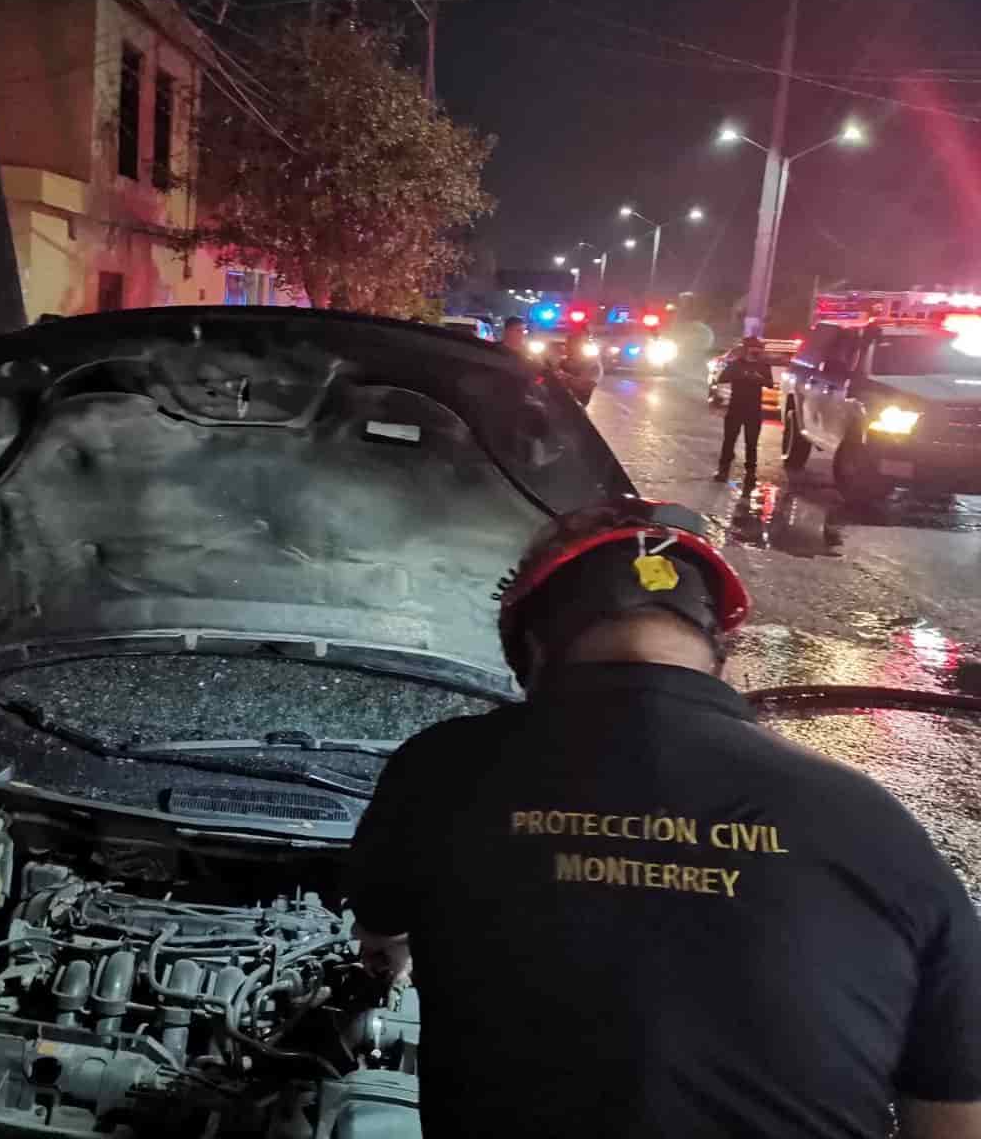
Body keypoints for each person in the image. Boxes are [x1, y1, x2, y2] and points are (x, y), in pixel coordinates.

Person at [349, 496, 981, 1138]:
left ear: (531, 649)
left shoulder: (443, 769)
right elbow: (956, 1115)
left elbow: (381, 931)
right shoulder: (878, 827)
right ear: (719, 650)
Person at [715, 334, 775, 482]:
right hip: (736, 408)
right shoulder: (736, 364)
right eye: (753, 349)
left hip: (754, 410)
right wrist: (740, 375)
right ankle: (723, 470)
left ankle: (750, 473)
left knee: (752, 443)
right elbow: (722, 378)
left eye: (758, 350)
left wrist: (757, 378)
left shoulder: (763, 365)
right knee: (729, 440)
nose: (755, 352)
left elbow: (770, 383)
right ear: (746, 349)